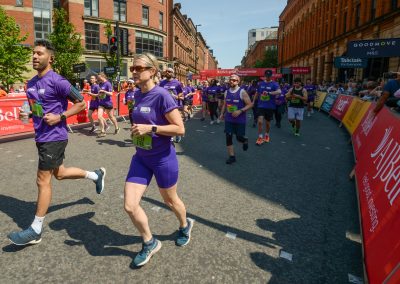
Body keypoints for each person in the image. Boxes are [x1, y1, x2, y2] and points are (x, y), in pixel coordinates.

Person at [7, 39, 106, 246]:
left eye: (39, 53)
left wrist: (60, 116)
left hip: (55, 137)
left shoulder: (58, 81)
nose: (34, 56)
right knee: (59, 173)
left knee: (43, 181)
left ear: (50, 58)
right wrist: (27, 113)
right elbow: (34, 107)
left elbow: (80, 103)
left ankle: (35, 229)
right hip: (41, 136)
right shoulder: (31, 83)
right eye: (33, 53)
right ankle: (96, 175)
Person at [124, 53, 192, 267]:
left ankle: (184, 225)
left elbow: (180, 129)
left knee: (170, 200)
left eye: (138, 68)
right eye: (132, 68)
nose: (133, 72)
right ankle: (149, 242)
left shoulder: (162, 95)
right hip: (141, 158)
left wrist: (151, 128)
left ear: (152, 71)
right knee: (130, 205)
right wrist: (137, 132)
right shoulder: (137, 94)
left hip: (163, 158)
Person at [219, 74, 252, 164]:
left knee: (239, 137)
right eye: (230, 80)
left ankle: (244, 140)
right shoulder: (226, 92)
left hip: (240, 119)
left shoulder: (242, 92)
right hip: (229, 118)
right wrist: (222, 114)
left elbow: (250, 104)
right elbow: (225, 104)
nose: (231, 81)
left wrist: (240, 111)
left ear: (238, 81)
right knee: (228, 136)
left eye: (233, 80)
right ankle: (232, 156)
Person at [253, 70, 281, 145]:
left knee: (268, 123)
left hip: (270, 106)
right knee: (260, 122)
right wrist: (253, 102)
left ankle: (267, 135)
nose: (268, 77)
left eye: (269, 76)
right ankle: (260, 137)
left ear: (271, 76)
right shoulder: (260, 84)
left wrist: (269, 93)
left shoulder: (274, 84)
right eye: (266, 76)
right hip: (261, 105)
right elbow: (257, 93)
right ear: (264, 76)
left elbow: (279, 91)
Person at [96, 72, 120, 137]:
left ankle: (117, 128)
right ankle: (103, 131)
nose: (98, 78)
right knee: (99, 116)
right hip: (101, 103)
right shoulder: (100, 84)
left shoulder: (108, 83)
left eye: (99, 77)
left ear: (102, 76)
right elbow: (100, 93)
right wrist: (99, 94)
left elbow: (111, 94)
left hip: (108, 103)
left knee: (111, 117)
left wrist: (104, 91)